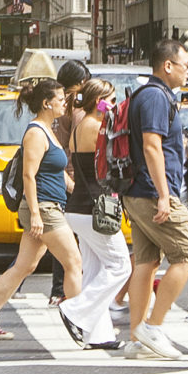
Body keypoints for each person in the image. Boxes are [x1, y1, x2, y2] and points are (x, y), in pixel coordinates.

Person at [0, 76, 86, 341]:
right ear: (47, 103)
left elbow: (56, 172)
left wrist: (80, 193)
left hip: (49, 205)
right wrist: (36, 214)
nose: (65, 103)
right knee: (73, 262)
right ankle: (80, 321)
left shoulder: (48, 130)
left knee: (25, 266)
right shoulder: (36, 132)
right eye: (60, 99)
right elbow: (29, 175)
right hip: (44, 208)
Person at [120, 40, 188, 362]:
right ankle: (152, 327)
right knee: (187, 255)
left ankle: (136, 338)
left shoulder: (147, 94)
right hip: (153, 193)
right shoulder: (155, 96)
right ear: (167, 66)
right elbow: (152, 147)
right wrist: (165, 195)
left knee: (145, 263)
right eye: (185, 64)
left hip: (137, 192)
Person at [60, 73, 126, 350]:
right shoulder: (92, 125)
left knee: (95, 268)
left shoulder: (83, 123)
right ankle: (75, 310)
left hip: (82, 208)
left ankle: (97, 335)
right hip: (93, 209)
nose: (113, 105)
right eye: (110, 101)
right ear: (98, 102)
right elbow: (113, 159)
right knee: (121, 266)